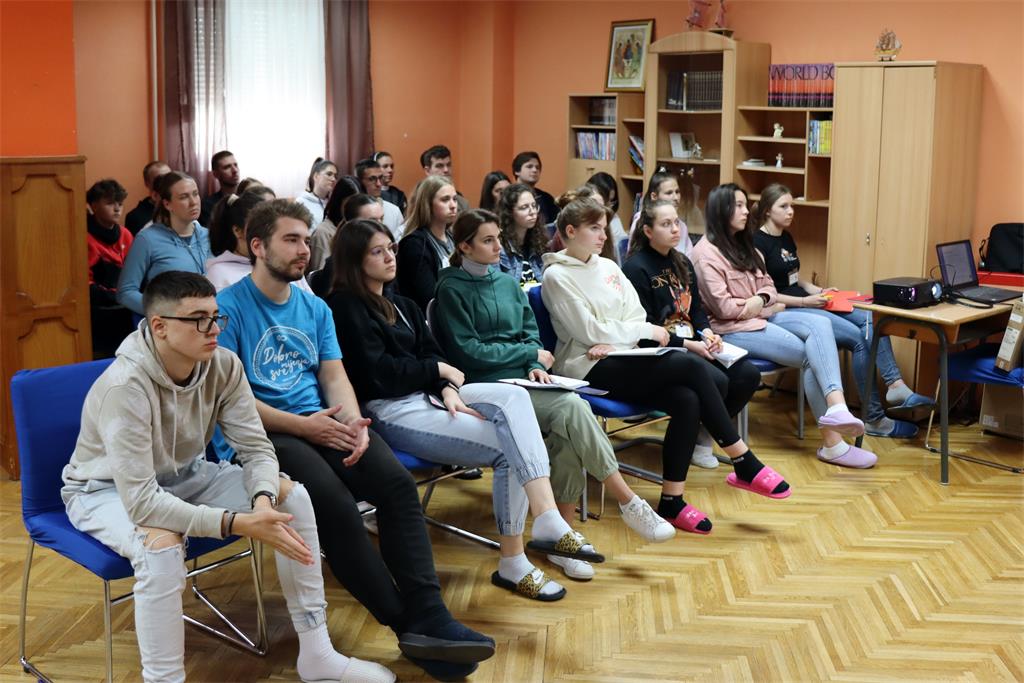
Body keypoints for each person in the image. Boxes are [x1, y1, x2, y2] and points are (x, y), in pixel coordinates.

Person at [61, 270, 397, 683]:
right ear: (159, 326)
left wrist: (262, 502)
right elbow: (143, 502)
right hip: (104, 491)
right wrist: (237, 523)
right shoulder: (125, 386)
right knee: (160, 548)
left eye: (216, 317)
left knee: (292, 498)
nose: (214, 329)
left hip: (186, 474)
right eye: (198, 320)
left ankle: (317, 653)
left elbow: (256, 448)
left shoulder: (223, 364)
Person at [215, 199, 497, 680]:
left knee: (397, 486)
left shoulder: (314, 307)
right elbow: (232, 402)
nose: (304, 250)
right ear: (257, 246)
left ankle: (431, 614)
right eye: (290, 240)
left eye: (306, 240)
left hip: (323, 422)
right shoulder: (228, 309)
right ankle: (407, 626)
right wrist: (307, 426)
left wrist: (351, 423)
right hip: (262, 436)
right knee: (336, 507)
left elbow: (334, 376)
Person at [327, 218, 609, 600]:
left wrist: (445, 387)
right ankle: (516, 560)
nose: (390, 257)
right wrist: (437, 373)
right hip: (389, 409)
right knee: (509, 446)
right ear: (354, 260)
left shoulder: (403, 303)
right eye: (378, 252)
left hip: (429, 397)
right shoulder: (344, 307)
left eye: (391, 248)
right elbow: (378, 375)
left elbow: (434, 355)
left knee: (514, 400)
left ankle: (545, 518)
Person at [434, 210, 675, 580]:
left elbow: (531, 333)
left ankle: (562, 539)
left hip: (522, 382)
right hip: (481, 387)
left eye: (498, 238)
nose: (498, 247)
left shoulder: (505, 282)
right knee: (572, 407)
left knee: (566, 431)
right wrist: (528, 355)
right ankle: (627, 501)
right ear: (464, 246)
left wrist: (534, 362)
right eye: (487, 240)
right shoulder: (450, 288)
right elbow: (469, 353)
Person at [541, 195, 792, 534]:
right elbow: (589, 331)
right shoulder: (557, 275)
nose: (603, 235)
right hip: (586, 366)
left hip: (622, 354)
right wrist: (632, 333)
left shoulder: (608, 266)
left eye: (603, 228)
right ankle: (742, 458)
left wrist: (619, 337)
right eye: (594, 228)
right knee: (687, 365)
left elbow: (633, 314)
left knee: (687, 399)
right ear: (570, 231)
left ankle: (672, 500)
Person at [691, 183, 878, 469]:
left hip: (760, 316)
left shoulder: (742, 242)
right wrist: (760, 301)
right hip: (732, 330)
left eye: (745, 204)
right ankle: (833, 445)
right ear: (721, 210)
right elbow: (726, 309)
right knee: (811, 355)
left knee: (820, 326)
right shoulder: (706, 254)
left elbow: (769, 285)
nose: (746, 211)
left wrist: (759, 299)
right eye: (738, 206)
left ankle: (837, 408)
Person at [751, 183, 932, 436]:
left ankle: (894, 384)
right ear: (768, 211)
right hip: (787, 310)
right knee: (859, 338)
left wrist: (819, 290)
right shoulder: (757, 243)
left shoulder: (786, 237)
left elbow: (793, 279)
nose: (791, 211)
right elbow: (764, 294)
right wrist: (805, 302)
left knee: (871, 318)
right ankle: (875, 419)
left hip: (808, 300)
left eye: (792, 205)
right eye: (784, 206)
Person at [622, 199, 761, 470]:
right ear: (648, 231)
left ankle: (701, 436)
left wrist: (707, 333)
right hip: (662, 349)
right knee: (719, 381)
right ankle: (698, 439)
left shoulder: (682, 262)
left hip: (694, 343)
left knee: (748, 375)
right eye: (666, 224)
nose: (675, 229)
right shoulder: (635, 269)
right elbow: (645, 330)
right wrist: (689, 345)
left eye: (676, 222)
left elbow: (695, 309)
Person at [117, 171, 211, 315]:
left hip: (209, 317)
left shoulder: (208, 236)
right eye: (184, 197)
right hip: (171, 322)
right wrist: (165, 313)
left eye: (195, 194)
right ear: (167, 204)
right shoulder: (147, 239)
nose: (193, 202)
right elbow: (125, 292)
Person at [206, 187, 316, 295]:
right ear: (238, 231)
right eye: (292, 240)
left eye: (306, 242)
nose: (267, 233)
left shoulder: (285, 265)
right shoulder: (220, 275)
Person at [86, 178, 135, 358]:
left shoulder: (125, 234)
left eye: (120, 204)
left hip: (124, 307)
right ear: (93, 206)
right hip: (99, 312)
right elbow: (86, 286)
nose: (117, 209)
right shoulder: (84, 237)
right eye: (109, 203)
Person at [396, 175, 459, 311]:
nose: (453, 205)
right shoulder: (414, 244)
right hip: (430, 316)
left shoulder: (454, 238)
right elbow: (429, 297)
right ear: (428, 204)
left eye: (454, 199)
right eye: (445, 200)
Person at [309, 193, 385, 297]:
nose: (381, 226)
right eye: (372, 221)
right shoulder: (337, 266)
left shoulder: (385, 255)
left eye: (382, 219)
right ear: (352, 225)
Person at [628, 168, 694, 257]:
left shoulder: (682, 226)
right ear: (654, 196)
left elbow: (689, 259)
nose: (676, 198)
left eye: (677, 192)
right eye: (669, 193)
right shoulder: (641, 222)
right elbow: (636, 259)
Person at [496, 182, 548, 287]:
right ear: (509, 212)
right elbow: (498, 288)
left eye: (534, 206)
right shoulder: (498, 247)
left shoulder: (538, 242)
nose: (532, 212)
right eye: (524, 207)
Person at [354, 157, 405, 239]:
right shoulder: (352, 210)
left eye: (380, 178)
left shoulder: (394, 211)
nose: (379, 184)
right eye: (372, 179)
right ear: (359, 181)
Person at [587, 172, 629, 263]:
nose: (609, 207)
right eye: (606, 202)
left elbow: (621, 246)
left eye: (612, 201)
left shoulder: (614, 218)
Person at [511, 151, 557, 226]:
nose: (535, 170)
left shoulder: (546, 198)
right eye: (529, 167)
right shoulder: (508, 196)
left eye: (537, 167)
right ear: (517, 171)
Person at [125, 160, 171, 235]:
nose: (166, 183)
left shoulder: (179, 207)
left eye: (169, 178)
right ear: (147, 183)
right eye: (159, 180)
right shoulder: (135, 217)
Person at [420, 145, 469, 213]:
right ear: (427, 171)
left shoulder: (461, 202)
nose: (446, 170)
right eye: (439, 166)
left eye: (448, 165)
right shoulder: (419, 200)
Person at [199, 151, 240, 227]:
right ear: (216, 174)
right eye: (227, 167)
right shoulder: (208, 205)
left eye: (236, 165)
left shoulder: (250, 198)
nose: (235, 170)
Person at [296, 158, 338, 227]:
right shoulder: (301, 202)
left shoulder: (333, 203)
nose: (333, 179)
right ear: (316, 176)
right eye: (329, 174)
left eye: (335, 176)